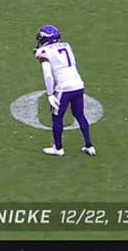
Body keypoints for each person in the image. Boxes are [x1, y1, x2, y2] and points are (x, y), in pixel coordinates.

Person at [34, 25, 96, 157]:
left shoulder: (44, 51)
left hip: (64, 88)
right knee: (79, 114)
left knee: (57, 117)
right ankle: (89, 145)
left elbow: (48, 75)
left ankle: (58, 148)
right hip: (78, 84)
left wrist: (50, 94)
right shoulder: (66, 46)